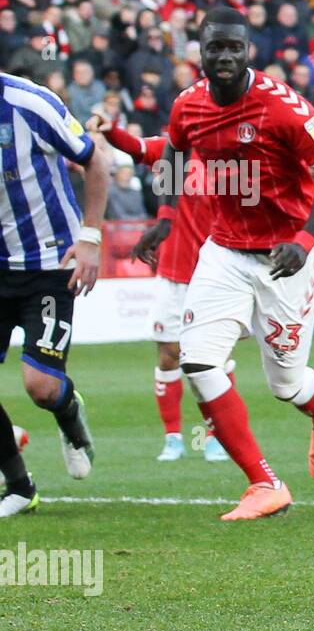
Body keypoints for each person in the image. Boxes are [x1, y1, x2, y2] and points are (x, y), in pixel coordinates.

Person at [131, 6, 314, 521]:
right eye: (216, 47)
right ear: (200, 52)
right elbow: (172, 152)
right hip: (225, 251)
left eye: (235, 47)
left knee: (286, 385)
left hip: (287, 256)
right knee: (198, 360)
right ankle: (263, 482)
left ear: (248, 49)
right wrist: (166, 216)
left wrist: (303, 238)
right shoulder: (187, 105)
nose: (225, 56)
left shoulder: (282, 107)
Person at [89, 113, 230, 463]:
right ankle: (173, 438)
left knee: (212, 360)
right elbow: (136, 147)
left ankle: (215, 436)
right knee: (168, 353)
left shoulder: (233, 163)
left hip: (215, 275)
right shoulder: (174, 152)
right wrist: (112, 130)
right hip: (173, 272)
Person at [0, 71, 109, 516]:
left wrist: (90, 238)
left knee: (41, 387)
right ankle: (21, 488)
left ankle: (67, 410)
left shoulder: (31, 103)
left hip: (48, 267)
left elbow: (94, 161)